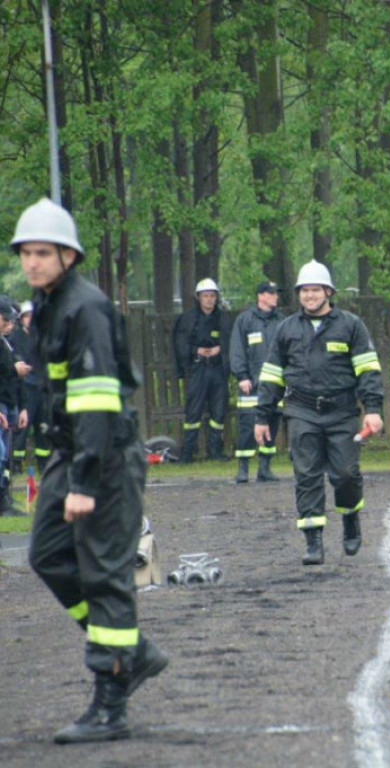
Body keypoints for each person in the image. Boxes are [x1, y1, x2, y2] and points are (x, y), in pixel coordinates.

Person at [13, 197, 168, 743]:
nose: (32, 262)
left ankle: (111, 702)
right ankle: (133, 651)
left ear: (68, 255)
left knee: (104, 573)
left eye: (42, 253)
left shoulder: (87, 308)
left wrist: (82, 482)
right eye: (25, 253)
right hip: (67, 451)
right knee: (48, 554)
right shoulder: (47, 303)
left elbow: (99, 401)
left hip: (103, 456)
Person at [255, 260, 383, 565]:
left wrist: (373, 409)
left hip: (341, 413)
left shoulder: (351, 325)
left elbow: (368, 370)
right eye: (304, 291)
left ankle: (350, 518)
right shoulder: (286, 329)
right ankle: (313, 542)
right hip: (301, 411)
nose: (309, 296)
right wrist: (261, 416)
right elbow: (272, 374)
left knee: (346, 474)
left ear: (328, 291)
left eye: (315, 290)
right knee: (307, 476)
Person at [229, 280, 284, 484]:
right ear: (260, 296)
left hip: (275, 384)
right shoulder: (245, 320)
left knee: (272, 424)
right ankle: (243, 469)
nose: (275, 297)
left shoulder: (282, 321)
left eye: (276, 293)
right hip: (251, 383)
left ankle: (265, 468)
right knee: (247, 426)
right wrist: (241, 376)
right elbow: (237, 349)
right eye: (271, 293)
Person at [172, 278, 232, 463]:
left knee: (218, 410)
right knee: (193, 411)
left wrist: (219, 349)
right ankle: (188, 452)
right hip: (197, 369)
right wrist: (195, 350)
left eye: (212, 296)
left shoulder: (223, 318)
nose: (209, 299)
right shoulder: (188, 318)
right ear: (198, 297)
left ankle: (215, 451)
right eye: (205, 296)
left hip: (217, 369)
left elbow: (230, 341)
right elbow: (179, 343)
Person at [10, 298, 51, 473]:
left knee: (43, 425)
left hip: (42, 386)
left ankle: (43, 461)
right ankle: (17, 461)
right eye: (27, 316)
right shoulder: (15, 338)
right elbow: (15, 359)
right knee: (23, 427)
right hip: (25, 387)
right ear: (21, 318)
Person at [0, 297, 22, 514]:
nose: (9, 324)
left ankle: (4, 497)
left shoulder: (6, 342)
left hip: (8, 402)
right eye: (5, 319)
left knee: (4, 454)